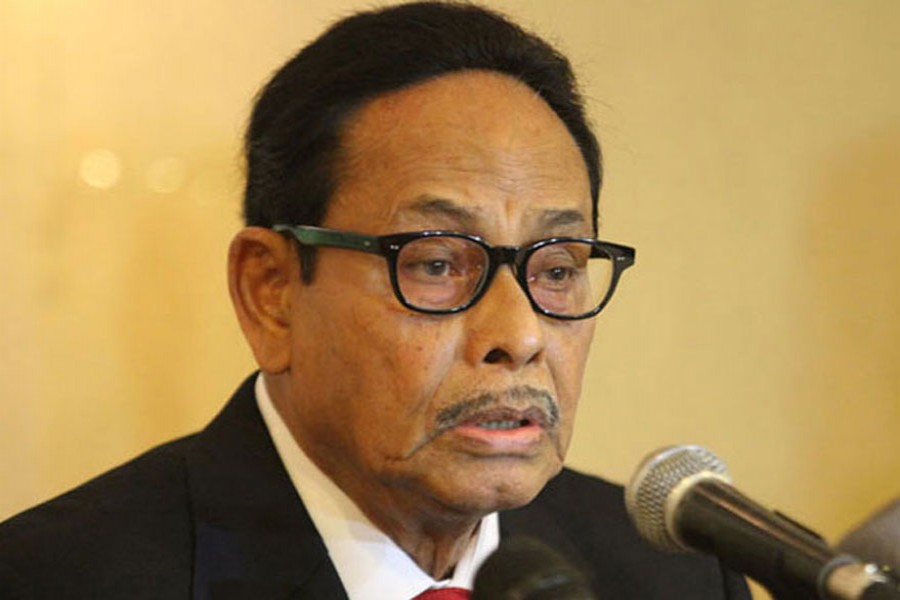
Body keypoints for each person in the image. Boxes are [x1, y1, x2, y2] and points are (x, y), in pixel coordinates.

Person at [0, 3, 750, 598]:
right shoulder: (52, 578)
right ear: (271, 294)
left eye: (556, 269)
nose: (519, 335)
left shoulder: (672, 577)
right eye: (436, 263)